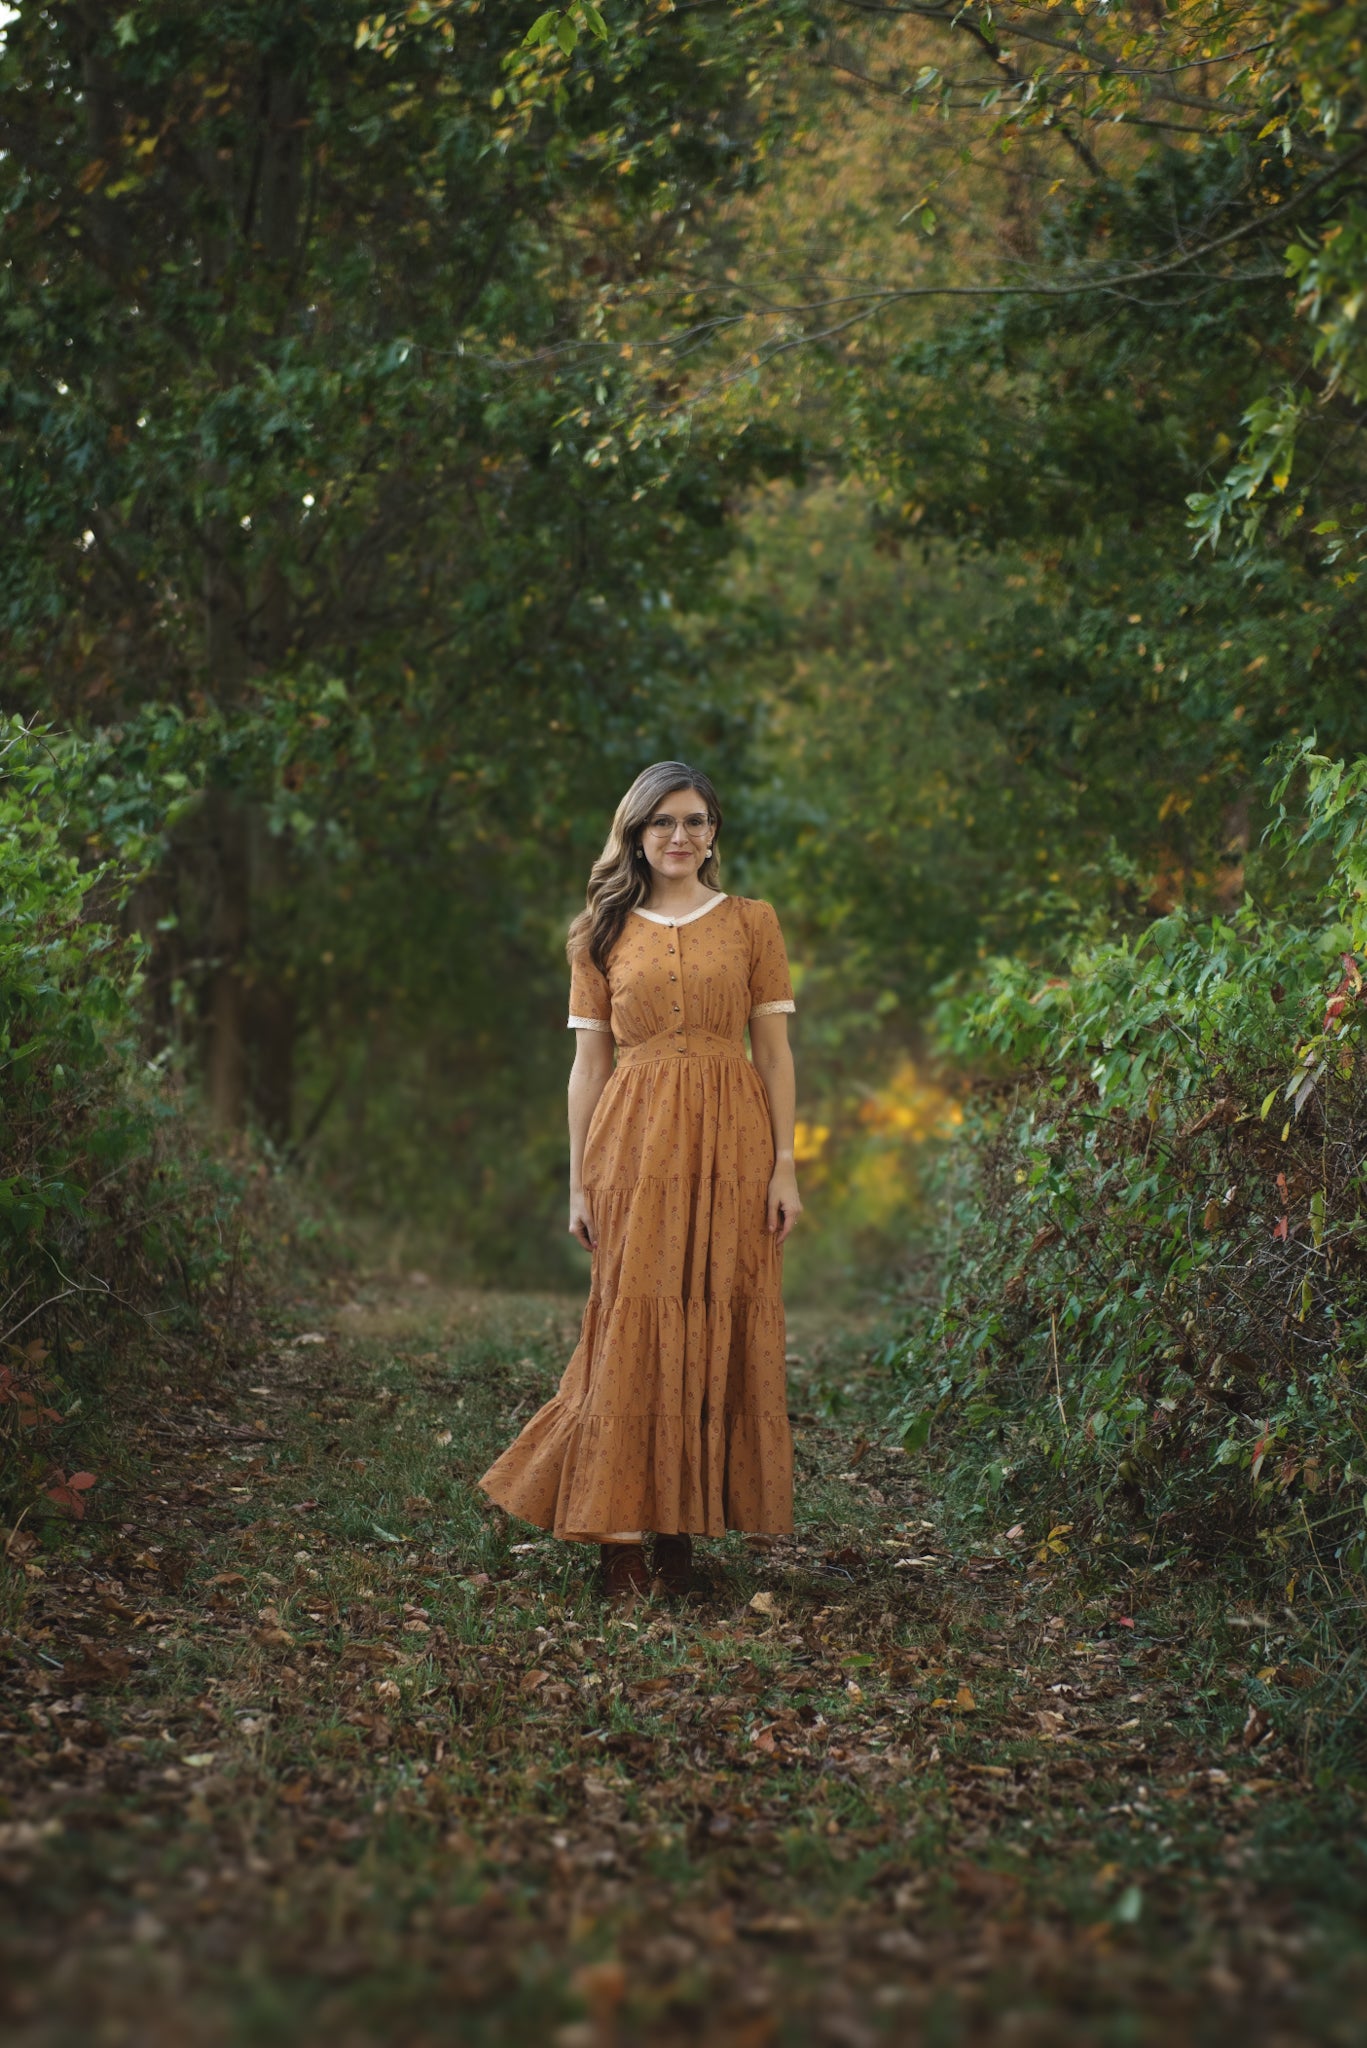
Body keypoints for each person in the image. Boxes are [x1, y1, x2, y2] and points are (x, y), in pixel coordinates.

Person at [478, 761, 802, 1596]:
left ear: (714, 834)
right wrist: (581, 1182)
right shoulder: (598, 933)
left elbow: (774, 1053)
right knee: (631, 1323)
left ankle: (679, 1528)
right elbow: (587, 1069)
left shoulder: (754, 924)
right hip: (635, 1143)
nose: (680, 837)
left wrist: (784, 1166)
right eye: (662, 823)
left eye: (695, 821)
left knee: (717, 1312)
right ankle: (618, 1537)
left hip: (734, 1141)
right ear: (635, 834)